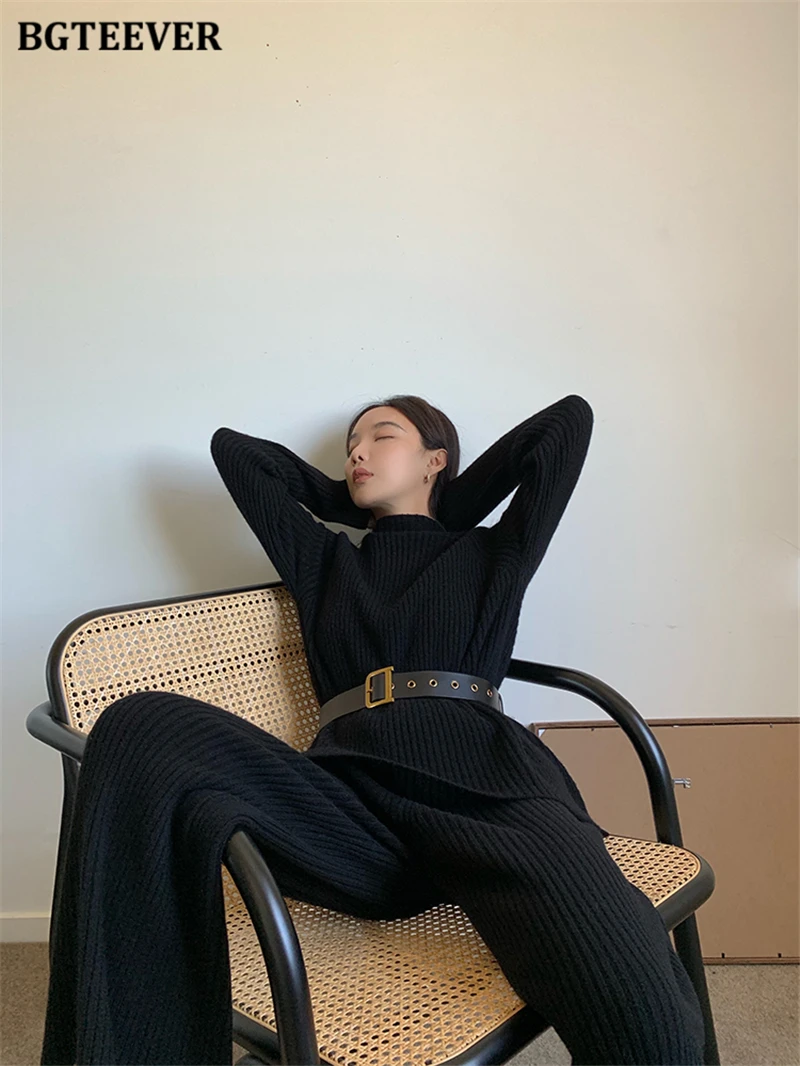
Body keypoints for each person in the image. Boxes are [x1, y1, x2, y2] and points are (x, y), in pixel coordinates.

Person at [41, 392, 707, 1066]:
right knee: (139, 726)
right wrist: (348, 497)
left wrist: (447, 499)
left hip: (489, 794)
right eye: (350, 446)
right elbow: (234, 454)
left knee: (645, 1013)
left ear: (435, 460)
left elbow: (565, 426)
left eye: (381, 437)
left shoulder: (493, 553)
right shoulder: (323, 560)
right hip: (354, 812)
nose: (357, 453)